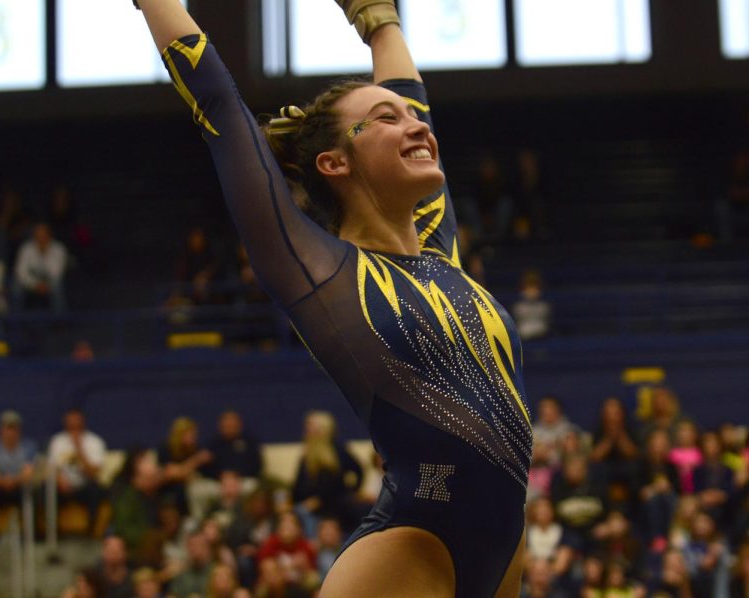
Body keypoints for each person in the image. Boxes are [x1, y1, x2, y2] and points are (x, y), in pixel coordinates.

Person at [136, 1, 533, 595]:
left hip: (503, 553)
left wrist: (377, 16)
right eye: (386, 119)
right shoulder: (318, 270)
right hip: (409, 547)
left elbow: (411, 93)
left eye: (412, 117)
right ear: (333, 162)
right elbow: (219, 102)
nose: (417, 126)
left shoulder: (438, 251)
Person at [47, 408, 108, 528]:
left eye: (77, 425)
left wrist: (79, 450)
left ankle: (91, 529)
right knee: (46, 489)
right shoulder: (57, 441)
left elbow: (93, 473)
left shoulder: (94, 442)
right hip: (64, 486)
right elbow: (52, 468)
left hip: (84, 486)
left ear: (83, 424)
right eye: (71, 425)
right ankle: (53, 530)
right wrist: (60, 480)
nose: (74, 429)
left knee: (96, 489)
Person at [0, 410, 37, 506]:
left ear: (19, 430)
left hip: (21, 487)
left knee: (33, 493)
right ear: (1, 430)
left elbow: (28, 473)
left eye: (14, 429)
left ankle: (30, 520)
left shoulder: (28, 447)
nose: (11, 433)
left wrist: (13, 481)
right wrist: (3, 482)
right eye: (7, 428)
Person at [12, 221, 67, 313]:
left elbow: (56, 273)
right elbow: (21, 272)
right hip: (31, 283)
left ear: (49, 235)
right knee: (15, 285)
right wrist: (35, 285)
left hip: (50, 283)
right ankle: (16, 321)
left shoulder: (59, 249)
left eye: (44, 235)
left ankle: (60, 322)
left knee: (57, 286)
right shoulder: (26, 248)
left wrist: (45, 252)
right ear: (34, 236)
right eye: (38, 235)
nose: (41, 238)